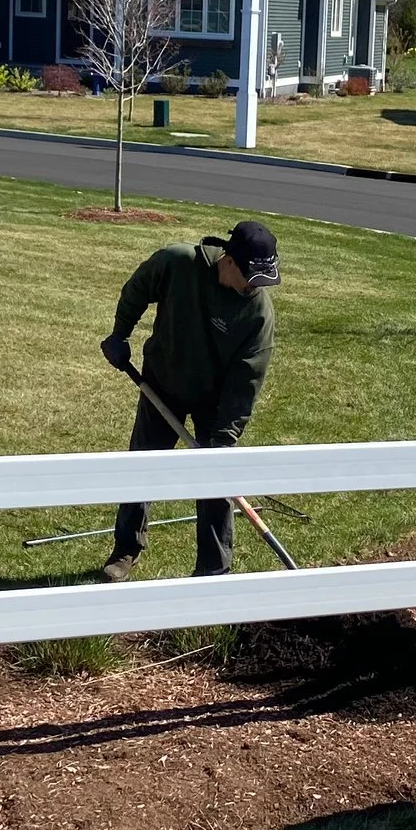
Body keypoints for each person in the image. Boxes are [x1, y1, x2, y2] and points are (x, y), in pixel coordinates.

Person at [99, 220, 280, 582]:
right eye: (250, 278)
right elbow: (137, 288)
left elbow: (246, 382)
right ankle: (126, 550)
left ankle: (213, 569)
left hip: (215, 399)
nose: (255, 288)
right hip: (163, 381)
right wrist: (120, 335)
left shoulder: (258, 314)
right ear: (228, 261)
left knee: (214, 480)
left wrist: (224, 439)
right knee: (143, 465)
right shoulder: (179, 263)